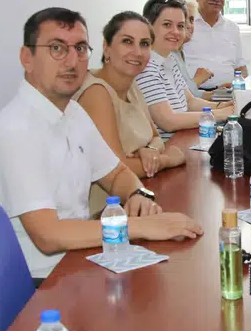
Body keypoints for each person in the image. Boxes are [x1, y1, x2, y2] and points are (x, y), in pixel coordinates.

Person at [0, 7, 203, 279]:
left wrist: (139, 195)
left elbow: (116, 174)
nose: (72, 61)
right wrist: (142, 226)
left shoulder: (73, 112)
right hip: (38, 282)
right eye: (57, 48)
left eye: (80, 48)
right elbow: (48, 236)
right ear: (27, 58)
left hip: (79, 258)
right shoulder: (14, 131)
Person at [77, 12, 187, 212]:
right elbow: (118, 168)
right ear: (106, 47)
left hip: (139, 195)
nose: (137, 52)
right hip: (105, 212)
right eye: (127, 41)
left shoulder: (132, 84)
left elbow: (156, 138)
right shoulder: (96, 92)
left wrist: (148, 150)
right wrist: (166, 160)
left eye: (144, 44)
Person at [136, 0, 233, 138]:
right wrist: (220, 114)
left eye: (180, 26)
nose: (176, 32)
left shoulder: (170, 60)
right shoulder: (146, 68)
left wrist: (222, 106)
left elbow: (190, 101)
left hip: (184, 139)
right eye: (167, 25)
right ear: (148, 27)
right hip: (168, 146)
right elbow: (168, 121)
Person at [183, 0, 247, 84]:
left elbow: (241, 67)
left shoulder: (233, 28)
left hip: (228, 92)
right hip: (194, 92)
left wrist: (237, 84)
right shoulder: (186, 25)